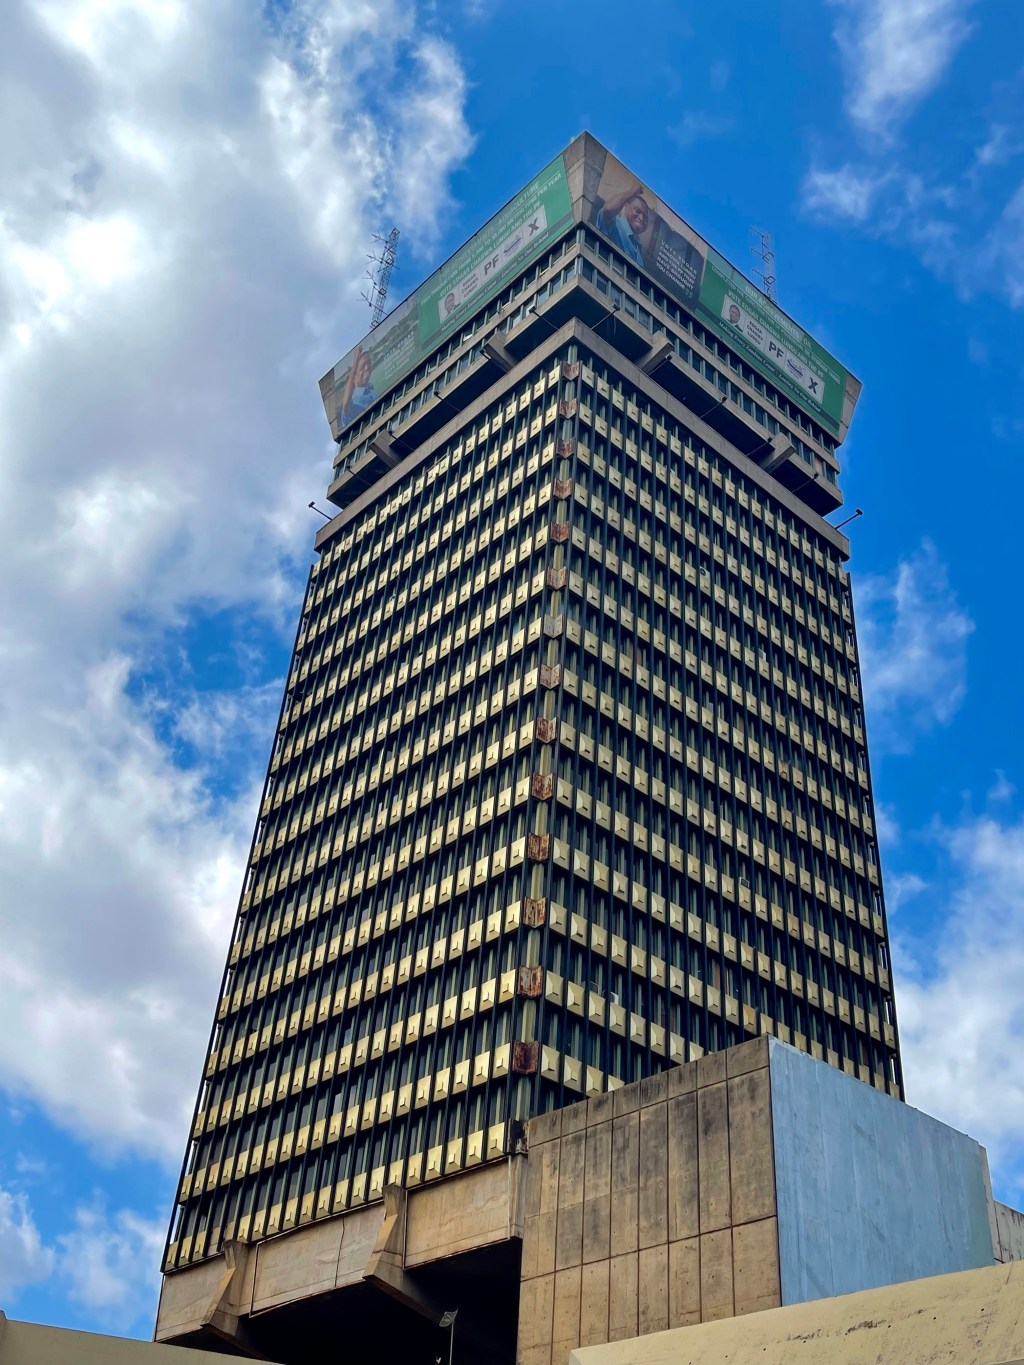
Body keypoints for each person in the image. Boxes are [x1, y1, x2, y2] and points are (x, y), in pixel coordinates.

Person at [593, 182, 651, 266]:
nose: (641, 218)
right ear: (626, 205)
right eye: (637, 211)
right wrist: (631, 192)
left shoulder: (639, 251)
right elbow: (608, 209)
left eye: (645, 217)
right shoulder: (615, 223)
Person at [339, 346, 375, 426]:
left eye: (368, 363)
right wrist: (355, 361)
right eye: (362, 367)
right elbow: (345, 404)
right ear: (354, 376)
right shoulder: (353, 401)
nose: (367, 368)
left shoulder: (372, 392)